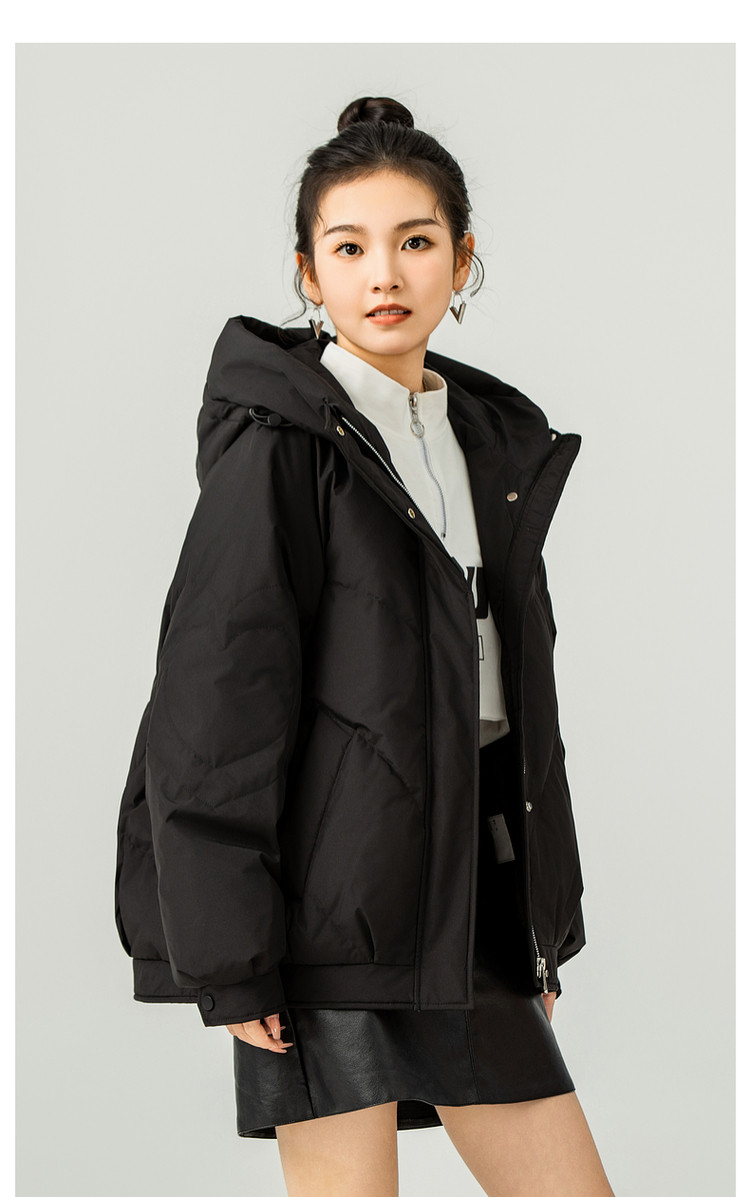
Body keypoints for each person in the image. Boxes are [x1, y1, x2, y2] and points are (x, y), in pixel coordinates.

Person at [114, 95, 616, 1196]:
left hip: (467, 907)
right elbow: (211, 717)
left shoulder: (490, 449)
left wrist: (536, 921)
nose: (383, 274)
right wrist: (234, 961)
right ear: (308, 273)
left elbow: (516, 710)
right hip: (323, 919)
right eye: (348, 248)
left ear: (462, 260)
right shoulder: (281, 451)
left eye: (415, 242)